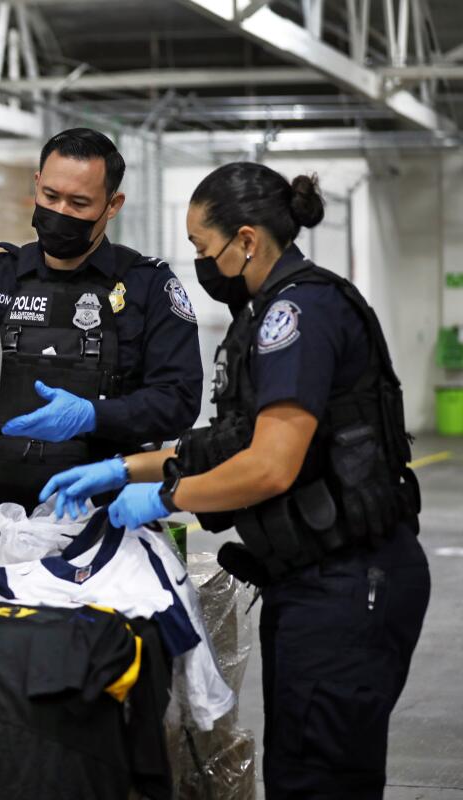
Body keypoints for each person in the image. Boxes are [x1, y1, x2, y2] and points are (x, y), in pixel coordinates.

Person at [42, 162, 430, 798]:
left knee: (319, 779)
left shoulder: (298, 314)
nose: (200, 262)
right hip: (312, 583)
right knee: (301, 768)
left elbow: (270, 465)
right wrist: (122, 467)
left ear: (246, 240)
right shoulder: (265, 315)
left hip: (351, 582)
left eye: (203, 247)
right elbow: (225, 445)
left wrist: (166, 499)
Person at [0, 128, 202, 514]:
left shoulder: (146, 287)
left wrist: (93, 415)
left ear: (112, 205)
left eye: (79, 203)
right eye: (51, 196)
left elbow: (177, 401)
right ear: (37, 184)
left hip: (105, 509)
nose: (60, 212)